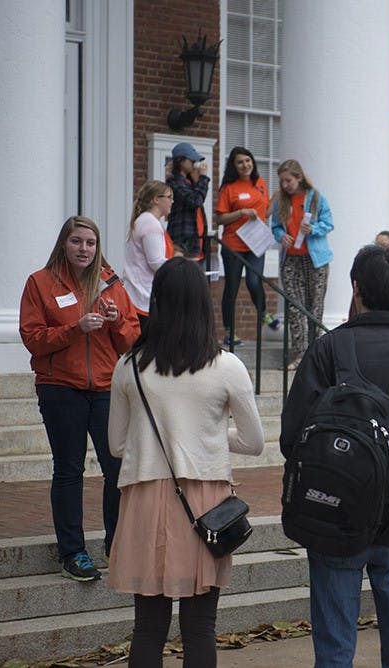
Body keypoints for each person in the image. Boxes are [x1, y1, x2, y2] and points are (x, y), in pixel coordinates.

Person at [280, 244, 389, 666]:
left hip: (333, 511)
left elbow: (291, 437)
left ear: (356, 288)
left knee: (335, 649)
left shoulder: (326, 350)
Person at [107, 257, 264, 666]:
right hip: (206, 504)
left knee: (147, 628)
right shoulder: (227, 366)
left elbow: (117, 445)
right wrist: (207, 437)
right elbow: (254, 441)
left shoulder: (129, 366)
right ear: (203, 303)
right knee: (199, 628)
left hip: (144, 496)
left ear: (156, 301)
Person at [19, 216, 140, 582]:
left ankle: (117, 544)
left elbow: (132, 342)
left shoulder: (112, 283)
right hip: (61, 389)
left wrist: (118, 321)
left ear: (97, 247)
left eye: (90, 242)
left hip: (106, 389)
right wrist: (76, 329)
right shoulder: (40, 283)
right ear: (64, 244)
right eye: (76, 242)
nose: (84, 249)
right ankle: (73, 553)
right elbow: (33, 337)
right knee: (69, 470)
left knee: (117, 468)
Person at [269, 159, 334, 368]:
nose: (286, 184)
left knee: (314, 307)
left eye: (289, 180)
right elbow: (276, 226)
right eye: (282, 181)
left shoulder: (315, 197)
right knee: (295, 307)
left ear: (299, 177)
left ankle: (315, 354)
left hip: (316, 259)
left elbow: (329, 223)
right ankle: (299, 354)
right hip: (292, 259)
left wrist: (313, 229)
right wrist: (281, 236)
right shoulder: (281, 201)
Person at [214, 146, 272, 347]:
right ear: (234, 165)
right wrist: (241, 213)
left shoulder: (260, 183)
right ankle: (230, 332)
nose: (245, 165)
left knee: (255, 282)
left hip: (256, 242)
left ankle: (263, 314)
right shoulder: (228, 188)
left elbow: (265, 210)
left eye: (248, 160)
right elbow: (220, 218)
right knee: (232, 287)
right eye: (240, 162)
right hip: (234, 244)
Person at [124, 180, 175, 330]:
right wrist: (180, 266)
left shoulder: (144, 221)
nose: (172, 201)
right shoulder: (151, 224)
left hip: (139, 294)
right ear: (156, 200)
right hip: (144, 297)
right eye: (169, 197)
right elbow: (156, 262)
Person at [165, 142, 210, 260]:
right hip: (182, 240)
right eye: (191, 160)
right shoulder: (173, 182)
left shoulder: (190, 182)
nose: (194, 163)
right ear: (181, 161)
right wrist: (203, 178)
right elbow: (195, 201)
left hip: (196, 239)